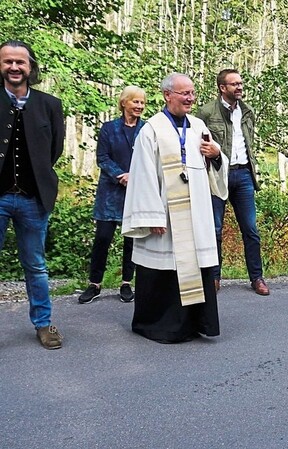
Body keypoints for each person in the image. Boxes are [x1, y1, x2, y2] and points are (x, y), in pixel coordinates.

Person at [122, 73, 228, 344]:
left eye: (192, 93)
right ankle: (161, 325)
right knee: (166, 268)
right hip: (166, 213)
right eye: (184, 93)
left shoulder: (197, 125)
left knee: (194, 265)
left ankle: (194, 322)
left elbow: (214, 160)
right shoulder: (151, 129)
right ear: (167, 95)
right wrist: (151, 215)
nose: (190, 98)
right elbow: (143, 175)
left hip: (195, 212)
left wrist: (216, 156)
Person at [0, 40, 65, 349]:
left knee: (36, 265)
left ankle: (43, 323)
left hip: (33, 198)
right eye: (8, 61)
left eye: (20, 62)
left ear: (30, 67)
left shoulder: (49, 104)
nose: (14, 67)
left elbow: (54, 150)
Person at [196, 69, 269, 296]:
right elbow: (197, 144)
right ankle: (214, 277)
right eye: (234, 84)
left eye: (240, 83)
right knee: (215, 229)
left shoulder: (247, 111)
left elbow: (248, 142)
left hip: (244, 174)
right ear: (222, 88)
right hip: (218, 174)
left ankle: (257, 278)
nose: (240, 87)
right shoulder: (206, 112)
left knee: (250, 229)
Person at [78, 86, 146, 304]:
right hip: (110, 192)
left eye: (142, 103)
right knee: (103, 239)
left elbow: (149, 159)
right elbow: (103, 158)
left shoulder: (146, 129)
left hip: (136, 191)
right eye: (135, 102)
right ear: (124, 102)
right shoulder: (109, 128)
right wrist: (121, 175)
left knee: (131, 240)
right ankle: (94, 284)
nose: (139, 106)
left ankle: (127, 283)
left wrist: (134, 176)